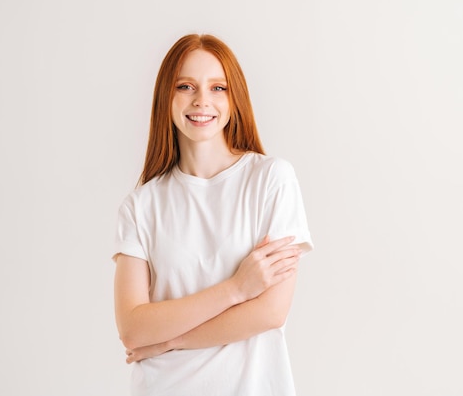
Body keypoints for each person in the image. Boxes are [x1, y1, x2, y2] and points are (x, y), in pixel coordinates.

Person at [113, 33, 313, 396]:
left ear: (234, 98)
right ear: (166, 98)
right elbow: (133, 328)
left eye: (218, 87)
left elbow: (270, 312)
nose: (202, 100)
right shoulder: (141, 206)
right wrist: (237, 288)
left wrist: (170, 341)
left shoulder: (271, 180)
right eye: (186, 86)